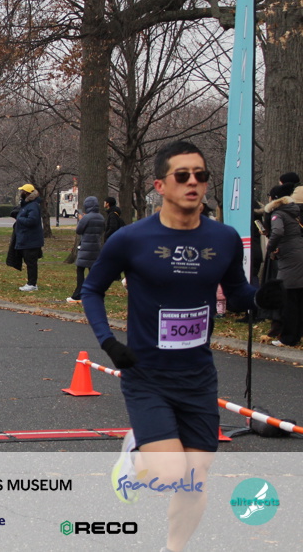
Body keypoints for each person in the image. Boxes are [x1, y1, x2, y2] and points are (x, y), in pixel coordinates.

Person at [81, 140, 282, 552]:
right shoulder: (131, 239)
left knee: (195, 481)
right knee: (172, 473)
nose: (193, 182)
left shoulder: (224, 238)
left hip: (198, 377)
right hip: (146, 375)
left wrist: (263, 298)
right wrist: (108, 342)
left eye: (201, 175)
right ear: (160, 185)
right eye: (183, 175)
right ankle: (135, 456)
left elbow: (237, 295)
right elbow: (91, 290)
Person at [264, 185, 303, 347]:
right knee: (298, 298)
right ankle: (297, 335)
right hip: (298, 255)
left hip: (289, 260)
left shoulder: (278, 214)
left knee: (289, 299)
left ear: (274, 199)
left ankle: (288, 337)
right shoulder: (293, 213)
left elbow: (278, 232)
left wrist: (271, 247)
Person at [66, 196, 104, 303]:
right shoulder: (101, 217)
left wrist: (80, 220)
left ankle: (78, 294)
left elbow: (79, 230)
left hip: (86, 247)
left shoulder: (86, 218)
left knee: (80, 270)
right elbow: (102, 230)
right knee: (92, 271)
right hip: (96, 247)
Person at [14, 183, 44, 291]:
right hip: (27, 239)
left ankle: (32, 283)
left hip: (31, 240)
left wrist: (20, 219)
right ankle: (31, 282)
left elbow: (32, 221)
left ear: (26, 193)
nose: (21, 193)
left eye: (22, 191)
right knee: (29, 262)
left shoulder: (33, 205)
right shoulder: (27, 205)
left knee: (31, 263)